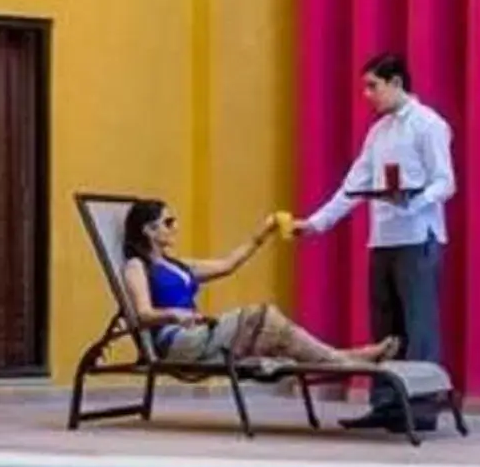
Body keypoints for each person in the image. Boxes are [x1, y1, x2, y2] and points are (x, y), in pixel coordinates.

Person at [293, 52, 455, 432]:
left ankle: (420, 408)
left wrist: (416, 202)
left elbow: (445, 181)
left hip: (418, 237)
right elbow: (354, 185)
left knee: (419, 327)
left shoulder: (429, 125)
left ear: (397, 82)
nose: (367, 94)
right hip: (383, 239)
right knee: (386, 330)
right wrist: (317, 223)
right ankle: (386, 403)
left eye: (373, 86)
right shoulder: (378, 132)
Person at [119, 199, 397, 370]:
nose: (175, 226)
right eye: (168, 222)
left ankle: (346, 358)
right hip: (178, 341)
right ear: (149, 230)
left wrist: (263, 233)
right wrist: (172, 314)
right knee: (261, 315)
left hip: (201, 333)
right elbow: (143, 314)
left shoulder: (178, 265)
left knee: (278, 335)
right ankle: (348, 359)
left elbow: (229, 264)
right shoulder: (137, 267)